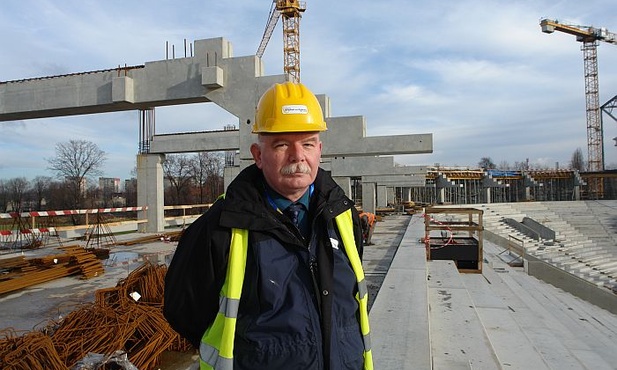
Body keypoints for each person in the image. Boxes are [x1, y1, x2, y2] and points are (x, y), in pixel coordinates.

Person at [164, 81, 373, 370]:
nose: (298, 156)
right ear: (258, 155)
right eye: (282, 144)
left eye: (308, 143)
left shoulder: (343, 217)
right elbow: (183, 311)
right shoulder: (221, 227)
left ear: (319, 151)